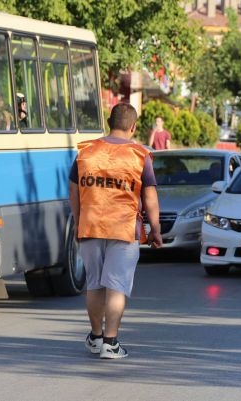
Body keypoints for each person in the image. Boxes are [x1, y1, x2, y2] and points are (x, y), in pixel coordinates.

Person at [68, 102, 163, 360]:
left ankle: (96, 337)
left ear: (109, 122)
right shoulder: (140, 155)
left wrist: (79, 223)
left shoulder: (86, 152)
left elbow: (74, 190)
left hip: (90, 226)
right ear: (133, 127)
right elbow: (150, 196)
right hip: (123, 228)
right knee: (116, 287)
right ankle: (111, 342)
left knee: (95, 284)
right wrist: (155, 229)